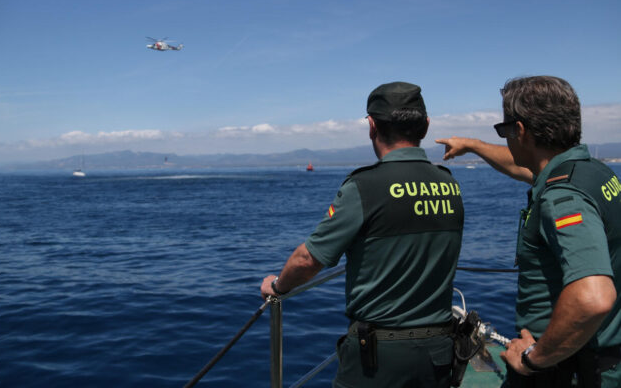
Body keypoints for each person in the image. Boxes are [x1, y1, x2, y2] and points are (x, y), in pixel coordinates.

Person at [261, 82, 465, 387]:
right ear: (425, 126)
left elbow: (308, 260)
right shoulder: (449, 185)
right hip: (438, 352)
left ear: (372, 126)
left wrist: (277, 286)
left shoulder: (364, 187)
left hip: (378, 359)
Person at [436, 75, 621, 387]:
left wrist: (533, 358)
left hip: (567, 367)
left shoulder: (563, 198)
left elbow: (594, 298)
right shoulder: (592, 172)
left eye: (505, 130)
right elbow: (521, 166)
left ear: (520, 131)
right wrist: (472, 145)